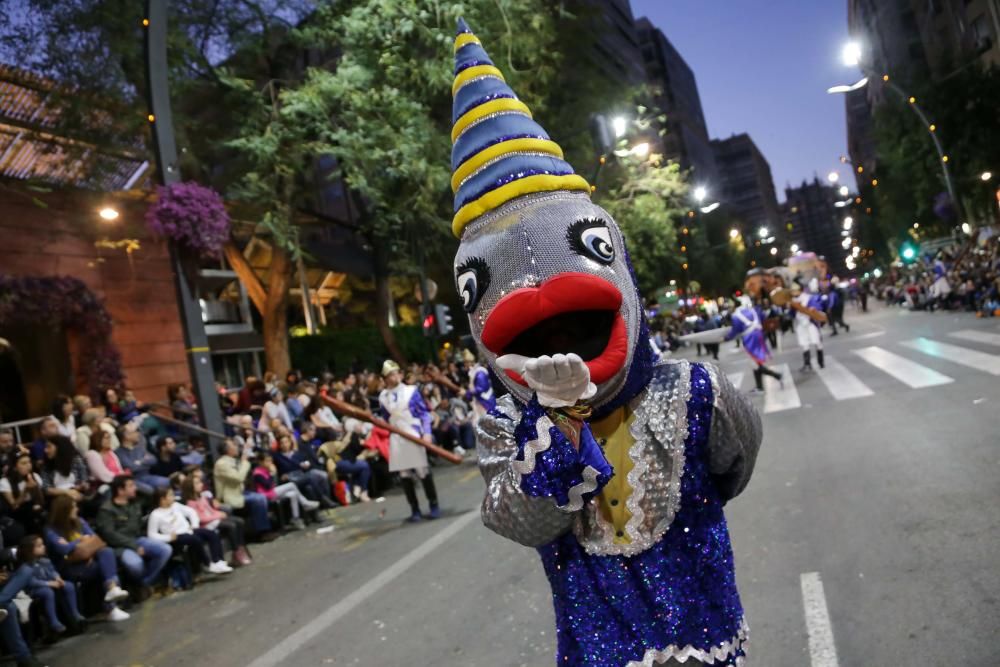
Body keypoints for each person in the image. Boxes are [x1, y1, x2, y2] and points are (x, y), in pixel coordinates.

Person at [449, 21, 760, 665]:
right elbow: (521, 519)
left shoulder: (699, 391)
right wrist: (558, 422)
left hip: (707, 634)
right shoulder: (507, 430)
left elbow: (733, 467)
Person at [43, 495, 130, 620]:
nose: (76, 509)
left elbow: (94, 539)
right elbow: (63, 550)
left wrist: (82, 548)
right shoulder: (51, 530)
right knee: (105, 567)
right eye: (73, 507)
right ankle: (111, 606)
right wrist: (80, 540)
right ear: (64, 510)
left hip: (89, 560)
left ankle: (112, 590)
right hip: (69, 567)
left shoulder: (79, 521)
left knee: (107, 552)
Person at [378, 360, 439, 522]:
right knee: (404, 474)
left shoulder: (411, 391)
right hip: (397, 438)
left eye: (396, 372)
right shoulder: (382, 397)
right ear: (385, 378)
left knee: (422, 471)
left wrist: (426, 432)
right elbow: (386, 418)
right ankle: (415, 509)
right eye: (390, 374)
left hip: (413, 433)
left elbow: (424, 414)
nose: (395, 376)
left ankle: (433, 504)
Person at [95, 476, 172, 589]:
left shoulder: (135, 502)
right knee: (136, 565)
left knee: (165, 550)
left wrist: (136, 485)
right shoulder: (106, 510)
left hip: (138, 538)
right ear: (120, 490)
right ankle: (140, 585)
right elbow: (110, 535)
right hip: (120, 546)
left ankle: (145, 583)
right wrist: (134, 546)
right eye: (131, 486)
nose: (135, 488)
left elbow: (151, 493)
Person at [147, 487, 232, 575]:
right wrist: (168, 537)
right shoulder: (155, 515)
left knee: (211, 534)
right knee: (195, 539)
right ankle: (208, 564)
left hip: (188, 531)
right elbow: (151, 534)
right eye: (170, 495)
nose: (174, 497)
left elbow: (191, 512)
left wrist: (194, 525)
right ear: (162, 499)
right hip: (176, 537)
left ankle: (218, 560)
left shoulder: (176, 505)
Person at [17, 534, 86, 635]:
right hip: (34, 589)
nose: (43, 547)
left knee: (69, 585)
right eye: (39, 546)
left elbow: (53, 571)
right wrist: (48, 583)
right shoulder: (26, 567)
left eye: (43, 544)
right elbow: (31, 582)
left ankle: (75, 613)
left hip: (51, 583)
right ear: (29, 550)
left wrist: (57, 578)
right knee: (47, 592)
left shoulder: (45, 561)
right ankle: (53, 621)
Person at [180, 475, 251, 567]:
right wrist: (217, 516)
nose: (201, 484)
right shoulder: (190, 503)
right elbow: (200, 518)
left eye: (200, 482)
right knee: (231, 526)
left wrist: (219, 513)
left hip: (214, 519)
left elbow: (211, 510)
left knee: (239, 521)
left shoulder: (202, 497)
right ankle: (236, 552)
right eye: (197, 483)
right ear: (190, 487)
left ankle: (241, 547)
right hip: (206, 525)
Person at [213, 439, 274, 539]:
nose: (236, 447)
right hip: (229, 496)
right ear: (227, 449)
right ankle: (263, 532)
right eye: (233, 445)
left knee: (261, 496)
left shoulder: (231, 460)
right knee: (259, 499)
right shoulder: (221, 464)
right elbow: (238, 477)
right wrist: (244, 462)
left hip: (240, 492)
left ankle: (264, 528)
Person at [725, 296, 783, 393]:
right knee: (756, 363)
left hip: (750, 339)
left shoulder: (736, 315)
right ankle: (759, 387)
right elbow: (763, 318)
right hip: (759, 335)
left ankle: (777, 375)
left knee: (754, 363)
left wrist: (726, 338)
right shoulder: (754, 310)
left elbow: (735, 330)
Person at [251, 453, 317, 531]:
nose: (270, 463)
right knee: (291, 485)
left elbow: (274, 483)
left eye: (270, 461)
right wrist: (272, 473)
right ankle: (305, 503)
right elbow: (268, 486)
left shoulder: (266, 470)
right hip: (266, 495)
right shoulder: (257, 473)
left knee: (293, 494)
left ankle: (295, 518)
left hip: (273, 492)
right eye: (267, 461)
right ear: (260, 462)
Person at [116, 424, 170, 493]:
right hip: (134, 480)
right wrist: (144, 461)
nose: (138, 433)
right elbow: (132, 468)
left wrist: (140, 462)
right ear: (127, 435)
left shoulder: (139, 447)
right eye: (135, 431)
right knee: (150, 491)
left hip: (147, 475)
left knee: (168, 482)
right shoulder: (119, 453)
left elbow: (153, 460)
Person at [1, 454, 45, 533]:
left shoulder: (35, 476)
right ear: (15, 467)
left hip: (33, 510)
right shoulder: (5, 482)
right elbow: (14, 506)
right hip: (17, 513)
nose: (28, 465)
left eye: (29, 462)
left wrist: (36, 488)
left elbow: (41, 501)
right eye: (24, 463)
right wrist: (25, 491)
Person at [39, 436, 90, 503]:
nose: (45, 450)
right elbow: (46, 489)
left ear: (60, 447)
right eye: (46, 447)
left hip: (77, 495)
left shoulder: (76, 460)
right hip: (58, 500)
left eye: (49, 447)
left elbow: (84, 480)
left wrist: (82, 486)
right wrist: (67, 492)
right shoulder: (46, 466)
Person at [796, 279, 825, 371]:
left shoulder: (809, 298)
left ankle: (821, 362)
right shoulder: (794, 300)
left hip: (812, 323)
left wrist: (814, 309)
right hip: (801, 325)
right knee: (805, 344)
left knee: (817, 342)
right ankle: (807, 364)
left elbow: (818, 307)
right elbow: (792, 313)